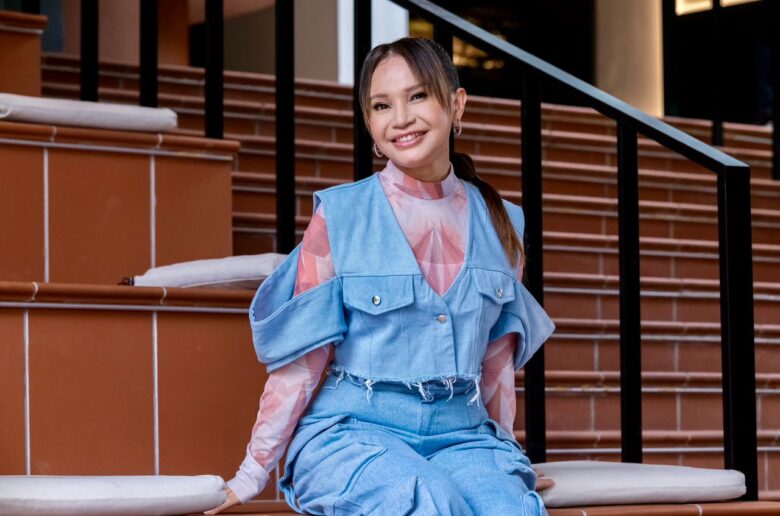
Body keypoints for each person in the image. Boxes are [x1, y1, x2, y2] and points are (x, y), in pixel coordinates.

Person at [206, 37, 555, 516]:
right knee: (426, 500)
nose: (401, 118)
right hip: (351, 434)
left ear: (456, 105)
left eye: (418, 96)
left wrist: (506, 462)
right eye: (382, 105)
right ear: (370, 124)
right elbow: (302, 363)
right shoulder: (340, 215)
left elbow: (496, 367)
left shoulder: (503, 224)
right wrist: (251, 473)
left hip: (464, 435)